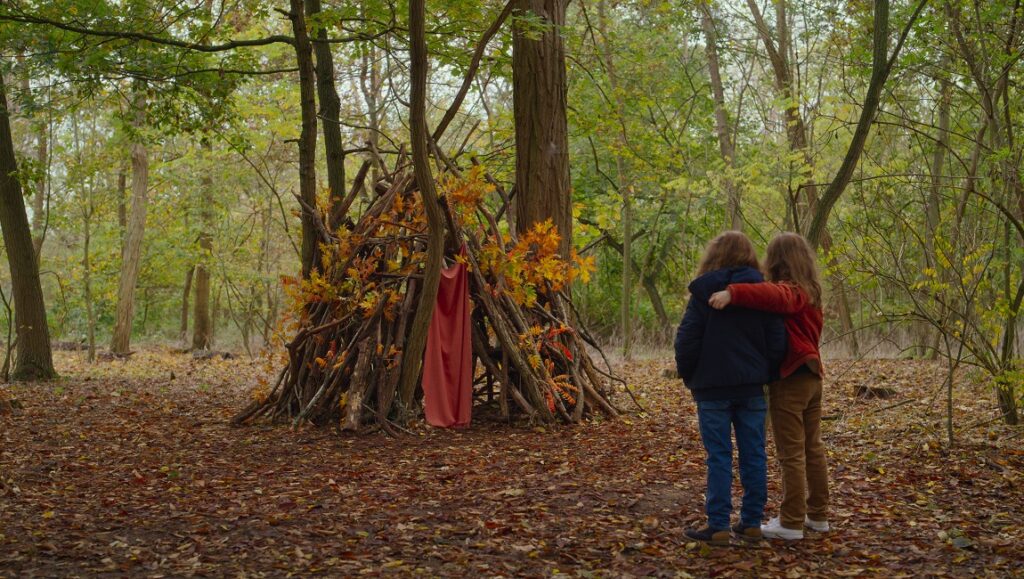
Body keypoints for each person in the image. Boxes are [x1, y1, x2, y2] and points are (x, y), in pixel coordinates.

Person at [708, 232, 829, 541]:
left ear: (777, 260)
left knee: (792, 452)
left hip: (793, 378)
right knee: (812, 449)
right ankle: (817, 515)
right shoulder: (811, 290)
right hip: (812, 376)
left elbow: (774, 296)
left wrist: (733, 293)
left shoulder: (793, 291)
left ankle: (791, 522)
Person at [675, 231, 786, 545]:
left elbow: (686, 341)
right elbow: (777, 340)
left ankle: (719, 525)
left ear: (714, 256)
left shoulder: (703, 294)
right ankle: (751, 522)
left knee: (719, 456)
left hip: (712, 389)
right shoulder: (762, 294)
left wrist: (691, 376)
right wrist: (766, 373)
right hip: (751, 388)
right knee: (754, 453)